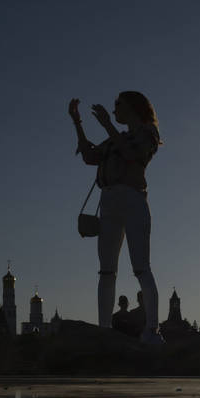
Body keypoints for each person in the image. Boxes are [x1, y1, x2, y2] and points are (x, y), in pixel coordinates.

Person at [69, 91, 164, 344]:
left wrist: (107, 126)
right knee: (106, 270)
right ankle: (104, 330)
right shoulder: (115, 138)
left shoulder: (148, 133)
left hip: (133, 199)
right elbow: (90, 156)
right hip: (109, 200)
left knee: (141, 267)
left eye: (118, 105)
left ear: (133, 107)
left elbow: (134, 154)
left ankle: (152, 330)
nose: (114, 111)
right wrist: (77, 123)